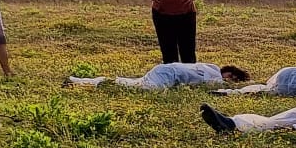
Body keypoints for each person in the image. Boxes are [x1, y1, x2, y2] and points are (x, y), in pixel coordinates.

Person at [68, 61, 249, 90]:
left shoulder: (208, 68)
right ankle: (88, 82)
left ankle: (78, 81)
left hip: (165, 71)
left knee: (132, 84)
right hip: (168, 74)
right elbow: (215, 87)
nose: (229, 82)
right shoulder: (214, 75)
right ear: (228, 73)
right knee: (141, 88)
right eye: (231, 79)